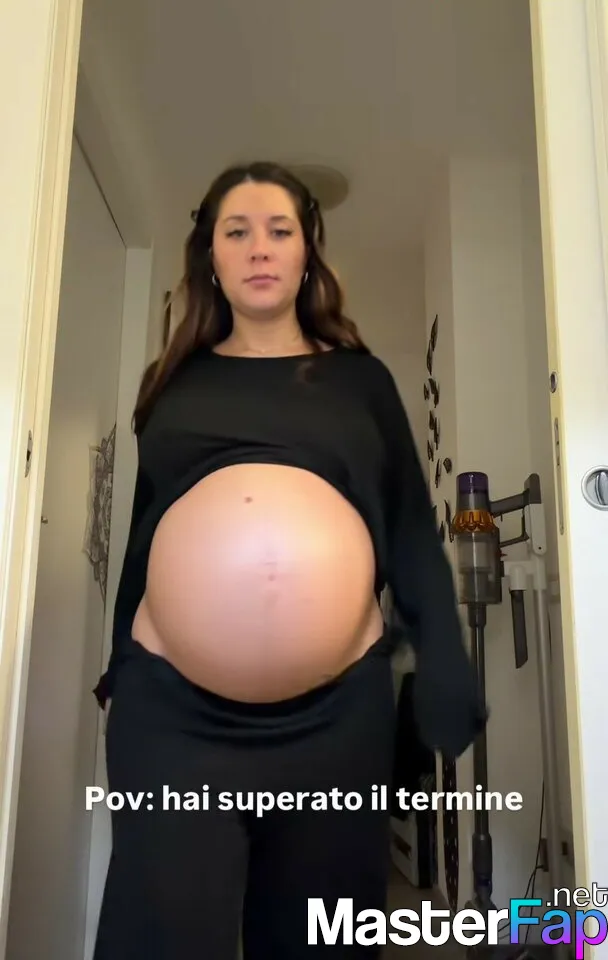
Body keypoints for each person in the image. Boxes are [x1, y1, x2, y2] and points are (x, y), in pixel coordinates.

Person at [92, 161, 487, 959]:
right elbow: (147, 531)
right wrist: (119, 666)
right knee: (161, 936)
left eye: (280, 230)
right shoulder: (174, 383)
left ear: (308, 252)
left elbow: (409, 526)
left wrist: (443, 660)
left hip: (335, 720)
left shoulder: (359, 380)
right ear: (210, 255)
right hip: (175, 716)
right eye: (237, 231)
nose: (260, 248)